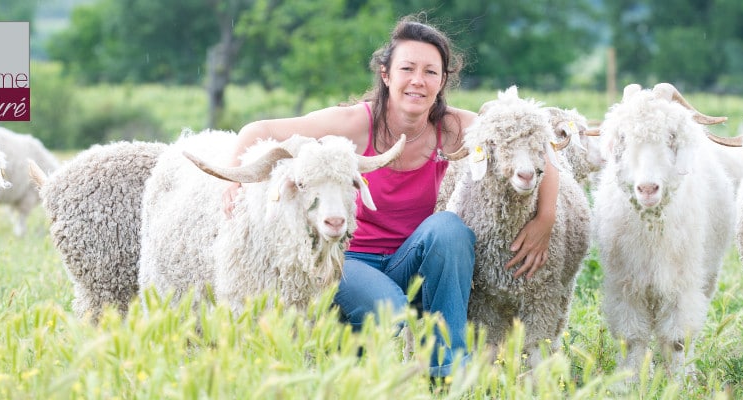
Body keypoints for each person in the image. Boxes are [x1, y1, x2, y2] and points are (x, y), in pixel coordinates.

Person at [222, 15, 560, 378]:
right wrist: (233, 180)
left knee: (450, 227)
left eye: (431, 72)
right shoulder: (354, 123)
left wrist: (546, 217)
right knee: (390, 311)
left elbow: (532, 141)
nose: (418, 80)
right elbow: (259, 130)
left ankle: (447, 371)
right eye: (407, 69)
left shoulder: (453, 127)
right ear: (386, 74)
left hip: (409, 257)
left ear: (443, 81)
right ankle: (347, 352)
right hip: (349, 261)